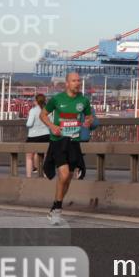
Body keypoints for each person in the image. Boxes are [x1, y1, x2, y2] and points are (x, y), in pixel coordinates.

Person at [40, 73, 93, 224]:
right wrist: (52, 126)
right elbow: (43, 115)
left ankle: (56, 207)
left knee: (68, 178)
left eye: (79, 80)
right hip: (58, 141)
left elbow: (89, 117)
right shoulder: (57, 99)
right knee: (63, 175)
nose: (77, 83)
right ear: (67, 84)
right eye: (74, 81)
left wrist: (88, 122)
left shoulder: (83, 101)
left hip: (73, 142)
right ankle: (57, 208)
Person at [25, 93, 50, 178]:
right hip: (46, 135)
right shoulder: (48, 110)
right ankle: (45, 173)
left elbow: (29, 124)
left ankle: (28, 177)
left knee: (29, 157)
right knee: (46, 155)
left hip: (33, 136)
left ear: (36, 101)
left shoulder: (33, 110)